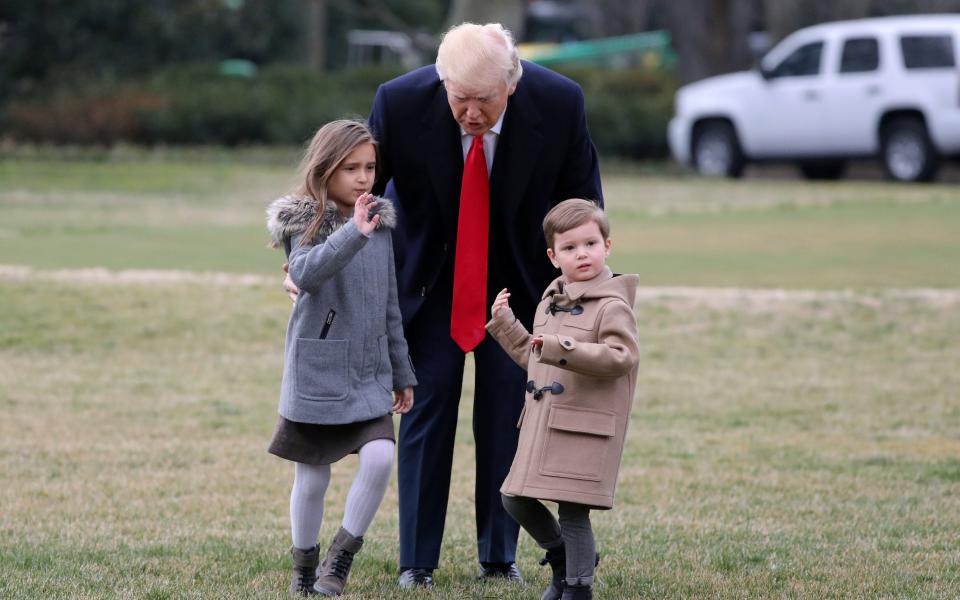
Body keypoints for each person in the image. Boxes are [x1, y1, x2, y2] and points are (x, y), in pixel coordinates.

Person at [284, 22, 602, 588]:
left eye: (486, 100)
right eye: (460, 99)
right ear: (441, 80)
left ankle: (499, 558)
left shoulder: (560, 102)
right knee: (424, 416)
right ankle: (417, 563)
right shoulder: (400, 102)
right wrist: (311, 263)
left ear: (514, 82)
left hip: (520, 290)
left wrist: (588, 288)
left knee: (509, 417)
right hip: (427, 285)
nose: (472, 113)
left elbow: (583, 203)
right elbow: (355, 193)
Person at [265, 119, 417, 597]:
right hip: (319, 371)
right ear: (325, 168)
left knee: (379, 459)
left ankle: (340, 559)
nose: (363, 177)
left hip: (369, 372)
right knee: (312, 480)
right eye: (351, 167)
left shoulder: (380, 222)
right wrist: (352, 232)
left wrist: (401, 371)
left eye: (370, 167)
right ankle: (304, 572)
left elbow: (391, 304)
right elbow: (306, 272)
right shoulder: (302, 219)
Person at [486, 199, 639, 600]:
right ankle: (562, 559)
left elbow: (621, 358)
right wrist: (508, 325)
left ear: (608, 246)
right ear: (554, 256)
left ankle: (577, 587)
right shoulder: (550, 299)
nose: (582, 253)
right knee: (512, 497)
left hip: (584, 425)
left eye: (590, 243)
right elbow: (538, 358)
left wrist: (561, 345)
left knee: (573, 510)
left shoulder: (612, 305)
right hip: (544, 421)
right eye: (570, 248)